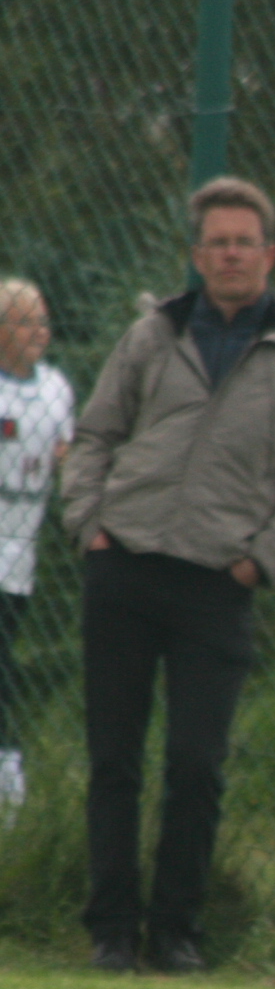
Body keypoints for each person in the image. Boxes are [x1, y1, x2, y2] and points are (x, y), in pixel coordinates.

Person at [60, 177, 275, 973]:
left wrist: (262, 559)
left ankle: (177, 932)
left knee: (196, 765)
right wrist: (90, 525)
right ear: (196, 254)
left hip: (219, 581)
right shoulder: (153, 335)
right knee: (114, 760)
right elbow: (96, 434)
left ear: (270, 254)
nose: (230, 255)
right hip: (126, 564)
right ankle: (112, 930)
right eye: (217, 242)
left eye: (244, 242)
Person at [0, 277, 76, 826]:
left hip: (21, 548)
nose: (38, 332)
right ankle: (10, 774)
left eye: (42, 321)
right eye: (25, 322)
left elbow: (64, 455)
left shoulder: (55, 389)